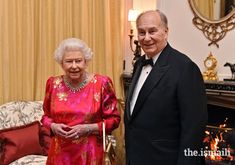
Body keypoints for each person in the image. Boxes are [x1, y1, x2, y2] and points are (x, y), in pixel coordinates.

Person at [124, 10, 208, 165]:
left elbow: (193, 129)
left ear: (166, 32)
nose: (146, 38)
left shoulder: (185, 68)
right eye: (141, 32)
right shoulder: (139, 63)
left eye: (152, 31)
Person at [41, 38, 120, 165]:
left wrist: (88, 128)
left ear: (86, 62)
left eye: (78, 61)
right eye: (68, 61)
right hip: (59, 154)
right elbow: (46, 117)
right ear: (61, 63)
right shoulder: (53, 84)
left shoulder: (101, 84)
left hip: (90, 153)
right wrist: (53, 126)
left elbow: (114, 120)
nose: (74, 66)